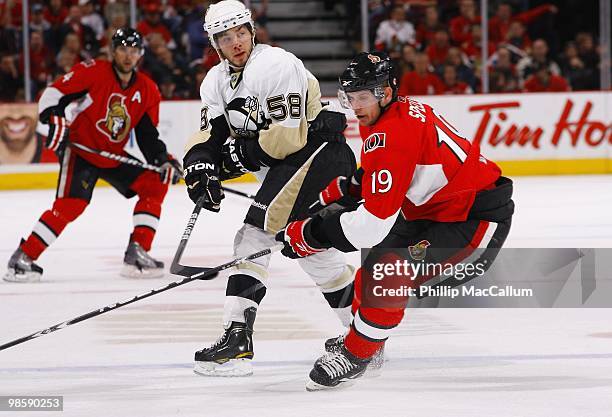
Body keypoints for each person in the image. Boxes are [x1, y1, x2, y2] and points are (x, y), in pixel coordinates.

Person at [275, 51, 515, 390]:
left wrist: (312, 234)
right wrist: (347, 189)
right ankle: (367, 343)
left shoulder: (393, 133)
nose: (355, 106)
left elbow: (373, 224)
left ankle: (358, 354)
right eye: (350, 96)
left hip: (474, 221)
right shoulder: (390, 114)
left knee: (386, 275)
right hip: (432, 210)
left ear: (385, 93)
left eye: (362, 97)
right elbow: (388, 170)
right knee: (368, 274)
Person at [183, 0, 356, 377]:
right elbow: (210, 135)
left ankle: (237, 336)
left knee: (254, 233)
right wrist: (199, 166)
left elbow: (286, 139)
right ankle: (365, 334)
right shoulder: (214, 81)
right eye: (225, 37)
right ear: (215, 43)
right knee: (310, 252)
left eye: (241, 32)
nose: (236, 42)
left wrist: (227, 163)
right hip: (291, 168)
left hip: (319, 156)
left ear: (251, 30)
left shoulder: (275, 64)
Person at [3, 28, 182, 283]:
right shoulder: (93, 71)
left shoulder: (148, 90)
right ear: (112, 50)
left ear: (141, 54)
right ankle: (23, 258)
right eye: (122, 49)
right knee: (70, 206)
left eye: (134, 51)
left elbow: (147, 137)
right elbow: (54, 94)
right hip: (81, 151)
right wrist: (54, 117)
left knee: (154, 183)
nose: (128, 56)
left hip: (113, 155)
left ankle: (138, 252)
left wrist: (162, 159)